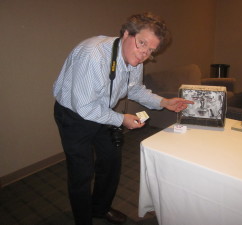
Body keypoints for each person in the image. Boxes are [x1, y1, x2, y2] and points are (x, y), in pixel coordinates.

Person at [53, 12, 193, 225]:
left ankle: (100, 208)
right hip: (74, 116)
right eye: (142, 43)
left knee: (111, 161)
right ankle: (83, 220)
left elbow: (135, 89)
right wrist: (121, 119)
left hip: (103, 112)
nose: (144, 53)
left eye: (150, 50)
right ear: (127, 33)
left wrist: (164, 102)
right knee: (82, 172)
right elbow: (84, 107)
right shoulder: (93, 55)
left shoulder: (135, 59)